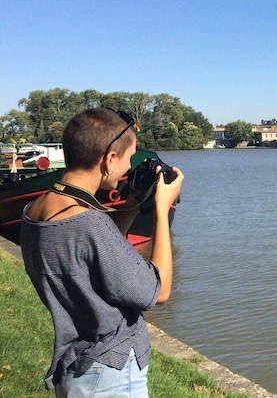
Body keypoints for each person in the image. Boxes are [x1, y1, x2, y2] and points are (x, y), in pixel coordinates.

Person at [20, 107, 184, 397]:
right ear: (109, 159)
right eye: (128, 158)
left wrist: (131, 204)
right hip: (108, 375)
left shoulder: (35, 211)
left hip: (75, 365)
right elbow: (158, 292)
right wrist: (161, 208)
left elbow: (95, 253)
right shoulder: (89, 224)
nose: (127, 168)